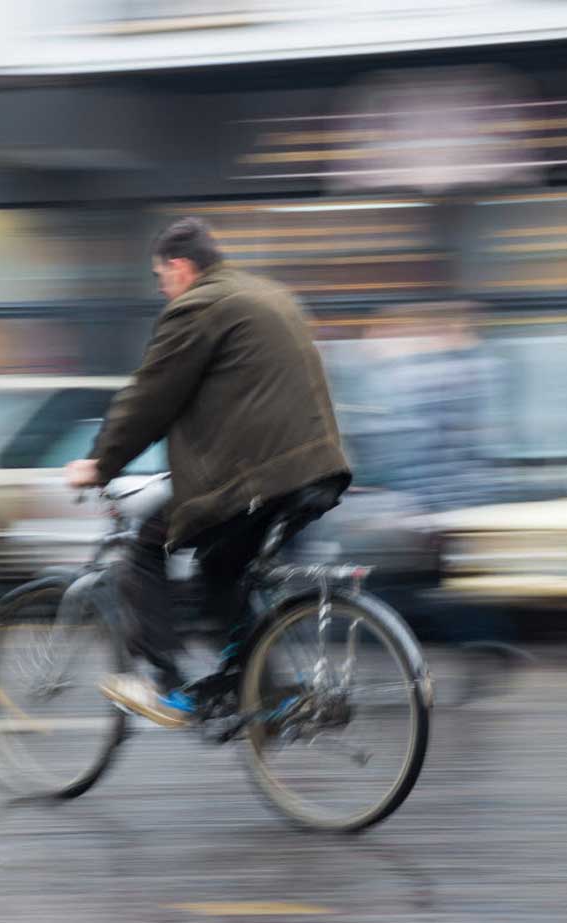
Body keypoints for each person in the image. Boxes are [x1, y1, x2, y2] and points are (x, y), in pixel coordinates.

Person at [65, 217, 352, 728]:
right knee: (224, 570)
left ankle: (170, 687)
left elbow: (149, 397)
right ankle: (262, 688)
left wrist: (100, 464)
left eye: (160, 278)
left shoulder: (199, 306)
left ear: (179, 266)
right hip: (317, 468)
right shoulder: (266, 294)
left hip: (259, 475)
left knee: (148, 549)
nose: (161, 290)